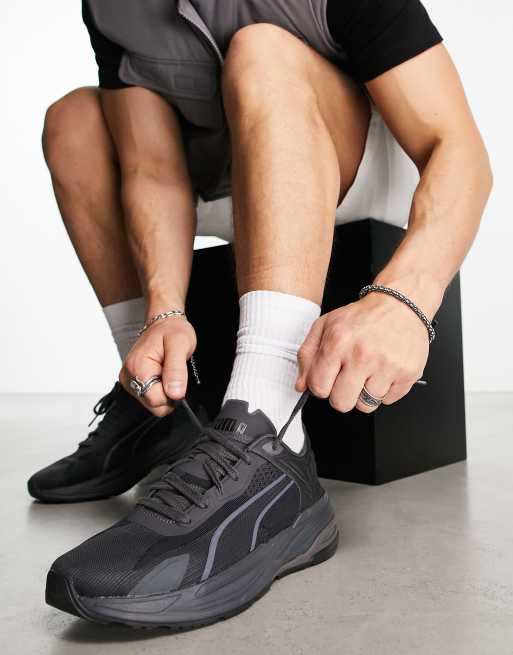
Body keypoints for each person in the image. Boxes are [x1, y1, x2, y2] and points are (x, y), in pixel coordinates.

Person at [38, 0, 491, 628]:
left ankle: (268, 427)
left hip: (349, 164)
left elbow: (459, 148)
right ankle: (162, 403)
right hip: (222, 167)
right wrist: (162, 315)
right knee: (74, 120)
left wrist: (406, 298)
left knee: (262, 47)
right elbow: (150, 167)